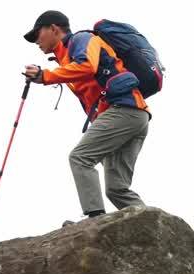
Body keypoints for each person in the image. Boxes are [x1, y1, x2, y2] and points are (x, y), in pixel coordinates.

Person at [22, 11, 151, 221]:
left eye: (38, 34)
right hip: (131, 115)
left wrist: (45, 76)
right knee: (117, 188)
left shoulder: (82, 39)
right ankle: (151, 227)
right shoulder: (64, 58)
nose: (36, 41)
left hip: (124, 110)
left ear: (54, 29)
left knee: (80, 158)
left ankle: (95, 219)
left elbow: (87, 66)